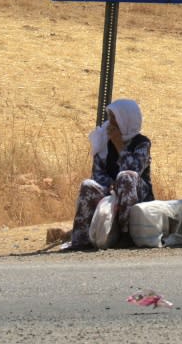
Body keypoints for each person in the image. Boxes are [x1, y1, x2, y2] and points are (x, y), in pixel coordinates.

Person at [62, 98, 154, 251]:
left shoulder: (142, 143)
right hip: (111, 190)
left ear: (126, 120)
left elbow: (135, 169)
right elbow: (97, 172)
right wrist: (110, 184)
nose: (110, 123)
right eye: (110, 117)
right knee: (88, 184)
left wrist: (120, 145)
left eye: (114, 118)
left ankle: (126, 235)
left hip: (137, 193)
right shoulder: (105, 141)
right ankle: (80, 239)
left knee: (126, 176)